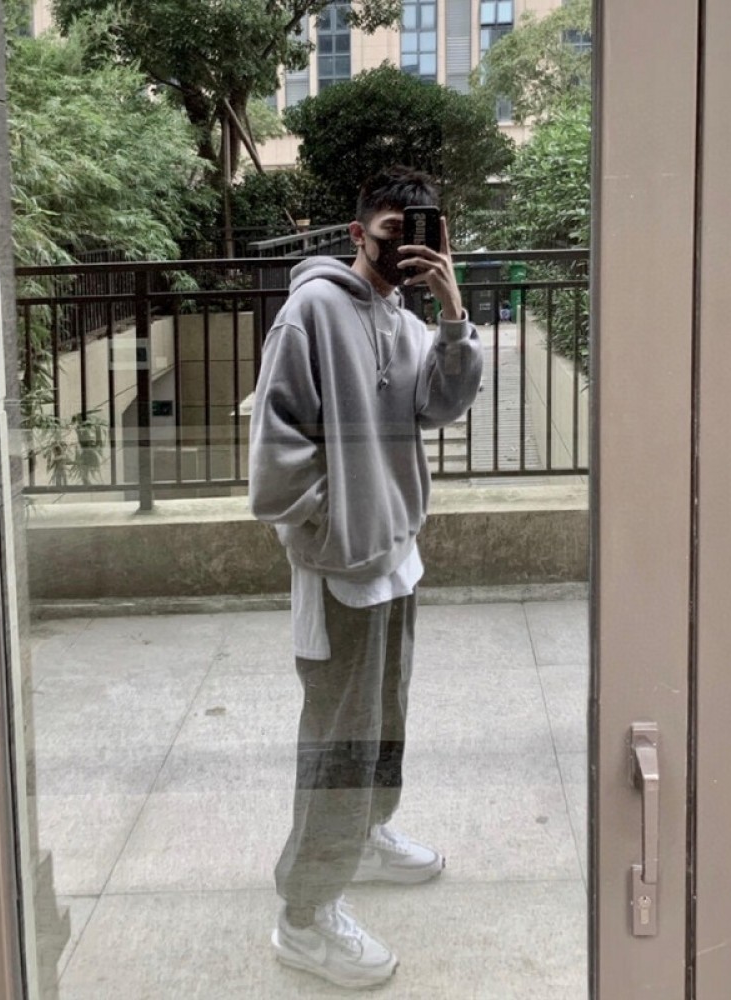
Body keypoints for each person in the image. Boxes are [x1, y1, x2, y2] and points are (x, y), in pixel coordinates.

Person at [248, 166, 483, 990]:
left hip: (397, 558)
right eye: (390, 232)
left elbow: (441, 405)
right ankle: (304, 915)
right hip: (342, 570)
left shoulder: (405, 319)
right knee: (338, 744)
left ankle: (368, 837)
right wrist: (332, 526)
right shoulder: (312, 310)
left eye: (422, 233)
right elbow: (273, 458)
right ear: (357, 233)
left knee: (383, 724)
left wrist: (452, 312)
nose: (405, 248)